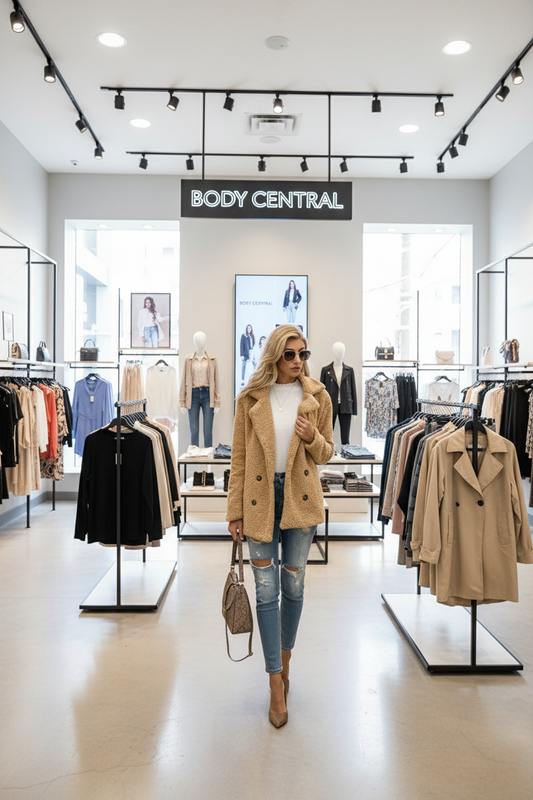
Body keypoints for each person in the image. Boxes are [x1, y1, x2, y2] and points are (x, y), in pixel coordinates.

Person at [227, 324, 334, 728]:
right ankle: (275, 681)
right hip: (257, 500)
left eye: (303, 354)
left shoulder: (317, 395)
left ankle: (286, 664)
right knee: (266, 588)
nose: (297, 362)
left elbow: (327, 453)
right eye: (290, 354)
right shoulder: (250, 397)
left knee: (294, 585)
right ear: (274, 355)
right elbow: (238, 459)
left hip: (299, 498)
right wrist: (233, 511)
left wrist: (310, 438)